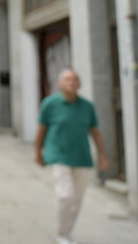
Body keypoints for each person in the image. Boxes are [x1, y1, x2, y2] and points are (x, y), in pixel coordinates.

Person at [34, 68, 110, 244]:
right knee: (65, 195)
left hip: (82, 157)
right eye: (67, 79)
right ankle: (61, 234)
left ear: (80, 84)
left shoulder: (87, 106)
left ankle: (67, 232)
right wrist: (38, 152)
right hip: (58, 155)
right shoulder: (49, 104)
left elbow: (95, 133)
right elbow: (41, 130)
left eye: (75, 79)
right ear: (60, 84)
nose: (72, 82)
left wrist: (103, 156)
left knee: (77, 199)